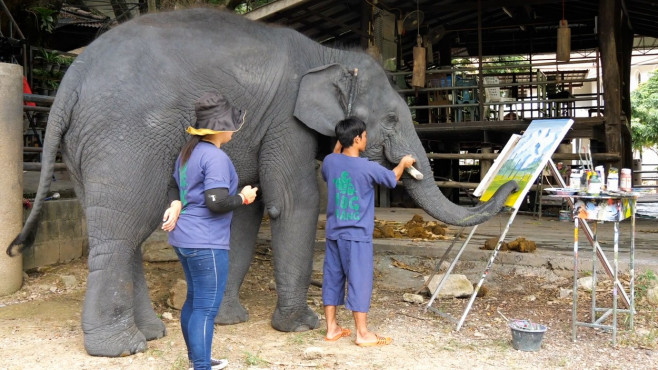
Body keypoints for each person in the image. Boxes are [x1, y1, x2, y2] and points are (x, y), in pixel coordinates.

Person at [162, 92, 258, 370]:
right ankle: (200, 366)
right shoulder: (215, 158)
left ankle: (199, 360)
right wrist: (244, 197)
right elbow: (216, 202)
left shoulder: (188, 152)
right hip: (206, 242)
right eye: (232, 124)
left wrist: (176, 202)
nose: (234, 130)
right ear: (221, 128)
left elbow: (173, 185)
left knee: (194, 301)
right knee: (206, 308)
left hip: (184, 238)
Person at [321, 116, 416, 347]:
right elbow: (392, 178)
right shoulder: (368, 167)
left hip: (334, 233)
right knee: (359, 280)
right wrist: (403, 163)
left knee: (332, 278)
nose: (366, 138)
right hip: (356, 235)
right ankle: (362, 333)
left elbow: (334, 157)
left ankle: (332, 328)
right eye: (364, 135)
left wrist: (339, 145)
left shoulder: (329, 162)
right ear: (357, 139)